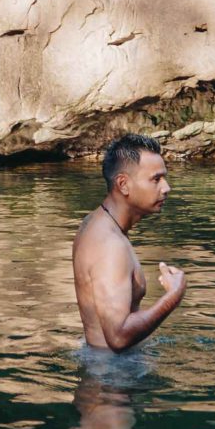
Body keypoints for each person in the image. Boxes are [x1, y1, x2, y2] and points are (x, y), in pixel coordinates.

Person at [72, 134, 186, 352]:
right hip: (114, 378)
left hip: (106, 370)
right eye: (156, 179)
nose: (166, 187)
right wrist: (173, 296)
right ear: (123, 184)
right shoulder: (110, 245)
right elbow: (118, 336)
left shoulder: (95, 223)